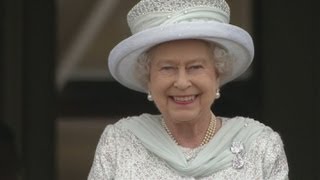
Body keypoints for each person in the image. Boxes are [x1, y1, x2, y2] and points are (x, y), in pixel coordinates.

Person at [88, 0, 289, 179]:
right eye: (168, 68)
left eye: (195, 67)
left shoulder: (261, 146)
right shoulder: (118, 143)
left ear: (217, 74)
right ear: (148, 78)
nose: (182, 83)